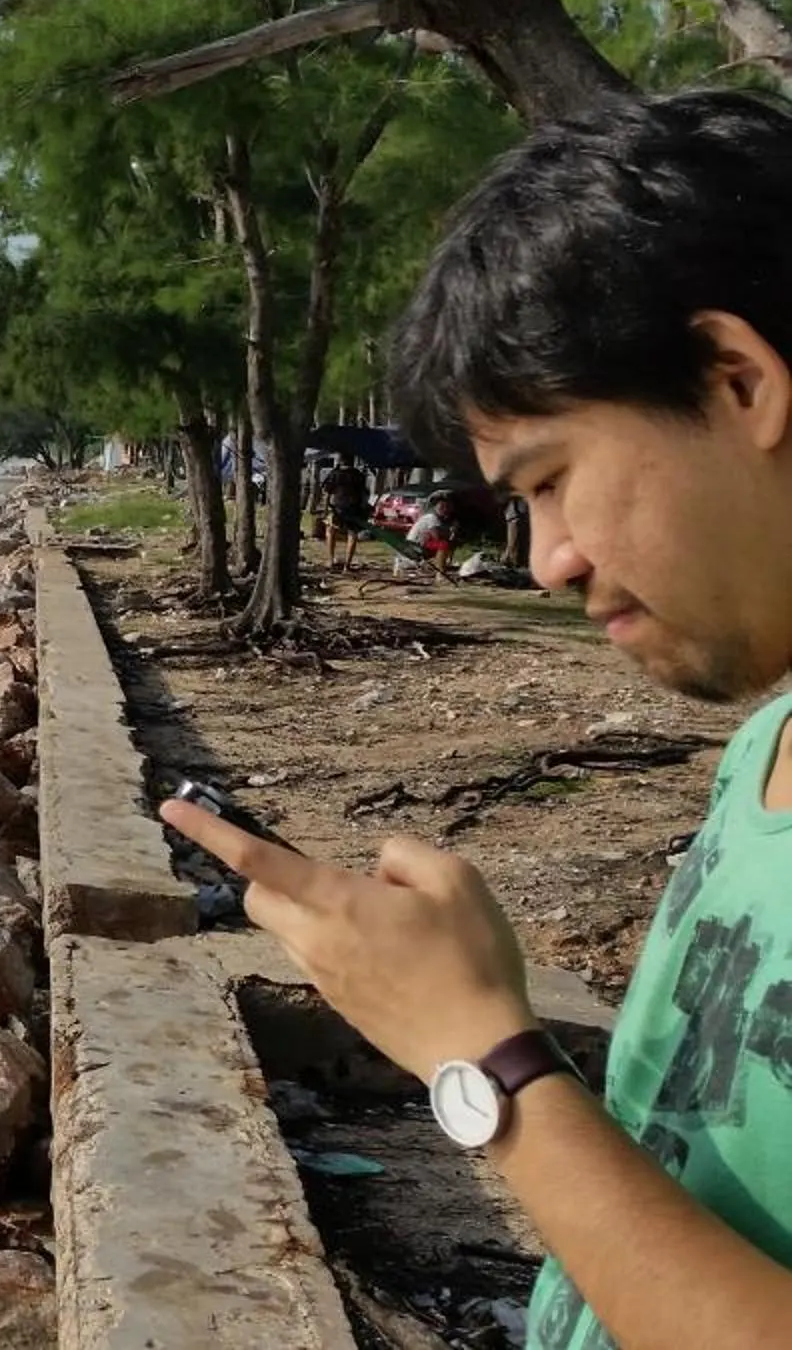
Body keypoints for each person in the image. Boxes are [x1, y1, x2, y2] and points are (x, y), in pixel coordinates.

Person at [162, 89, 792, 1350]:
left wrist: (484, 1052)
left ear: (738, 381)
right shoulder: (757, 757)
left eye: (550, 478)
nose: (547, 559)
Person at [321, 455, 373, 572]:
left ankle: (331, 560)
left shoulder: (335, 474)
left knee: (330, 530)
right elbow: (364, 494)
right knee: (352, 534)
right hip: (354, 507)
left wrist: (325, 509)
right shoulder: (358, 475)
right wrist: (364, 508)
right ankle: (347, 565)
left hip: (338, 507)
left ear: (340, 461)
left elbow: (327, 493)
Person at [409, 490, 457, 575]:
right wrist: (449, 534)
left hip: (422, 543)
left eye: (447, 507)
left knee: (450, 543)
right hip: (416, 545)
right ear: (435, 507)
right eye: (441, 507)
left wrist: (452, 532)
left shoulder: (439, 519)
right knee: (443, 544)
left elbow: (445, 536)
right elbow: (436, 537)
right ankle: (440, 571)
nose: (445, 509)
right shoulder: (431, 518)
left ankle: (442, 564)